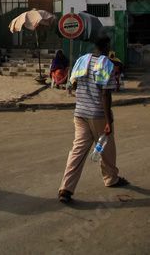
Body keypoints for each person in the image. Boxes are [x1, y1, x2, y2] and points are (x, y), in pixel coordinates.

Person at [58, 36, 129, 203]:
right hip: (97, 114)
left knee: (78, 150)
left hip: (80, 112)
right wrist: (108, 120)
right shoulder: (107, 64)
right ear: (107, 47)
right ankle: (111, 178)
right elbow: (105, 93)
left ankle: (65, 188)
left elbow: (73, 84)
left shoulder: (82, 60)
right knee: (107, 145)